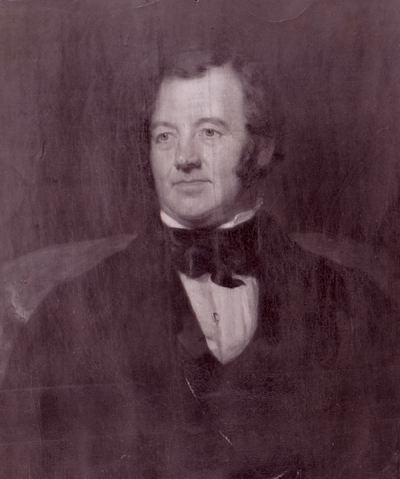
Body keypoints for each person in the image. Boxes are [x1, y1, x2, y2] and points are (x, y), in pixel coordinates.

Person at [1, 48, 400, 479]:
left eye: (209, 132)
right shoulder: (69, 317)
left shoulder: (354, 305)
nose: (184, 157)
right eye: (165, 136)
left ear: (260, 148)